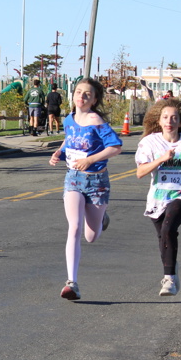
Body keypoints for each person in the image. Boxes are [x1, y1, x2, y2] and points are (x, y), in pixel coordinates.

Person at [48, 77, 123, 301]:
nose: (81, 96)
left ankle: (101, 219)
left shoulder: (95, 120)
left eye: (87, 94)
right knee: (74, 227)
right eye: (78, 92)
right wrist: (59, 153)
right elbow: (69, 139)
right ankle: (71, 282)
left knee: (91, 236)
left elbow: (116, 146)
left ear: (94, 100)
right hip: (73, 178)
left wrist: (91, 160)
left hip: (97, 182)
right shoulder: (69, 119)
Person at [135, 98, 181, 297]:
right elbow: (140, 172)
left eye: (174, 118)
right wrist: (162, 159)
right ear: (159, 121)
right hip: (158, 196)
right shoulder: (149, 142)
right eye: (165, 117)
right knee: (163, 238)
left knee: (168, 229)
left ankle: (169, 280)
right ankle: (172, 267)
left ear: (180, 122)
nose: (169, 121)